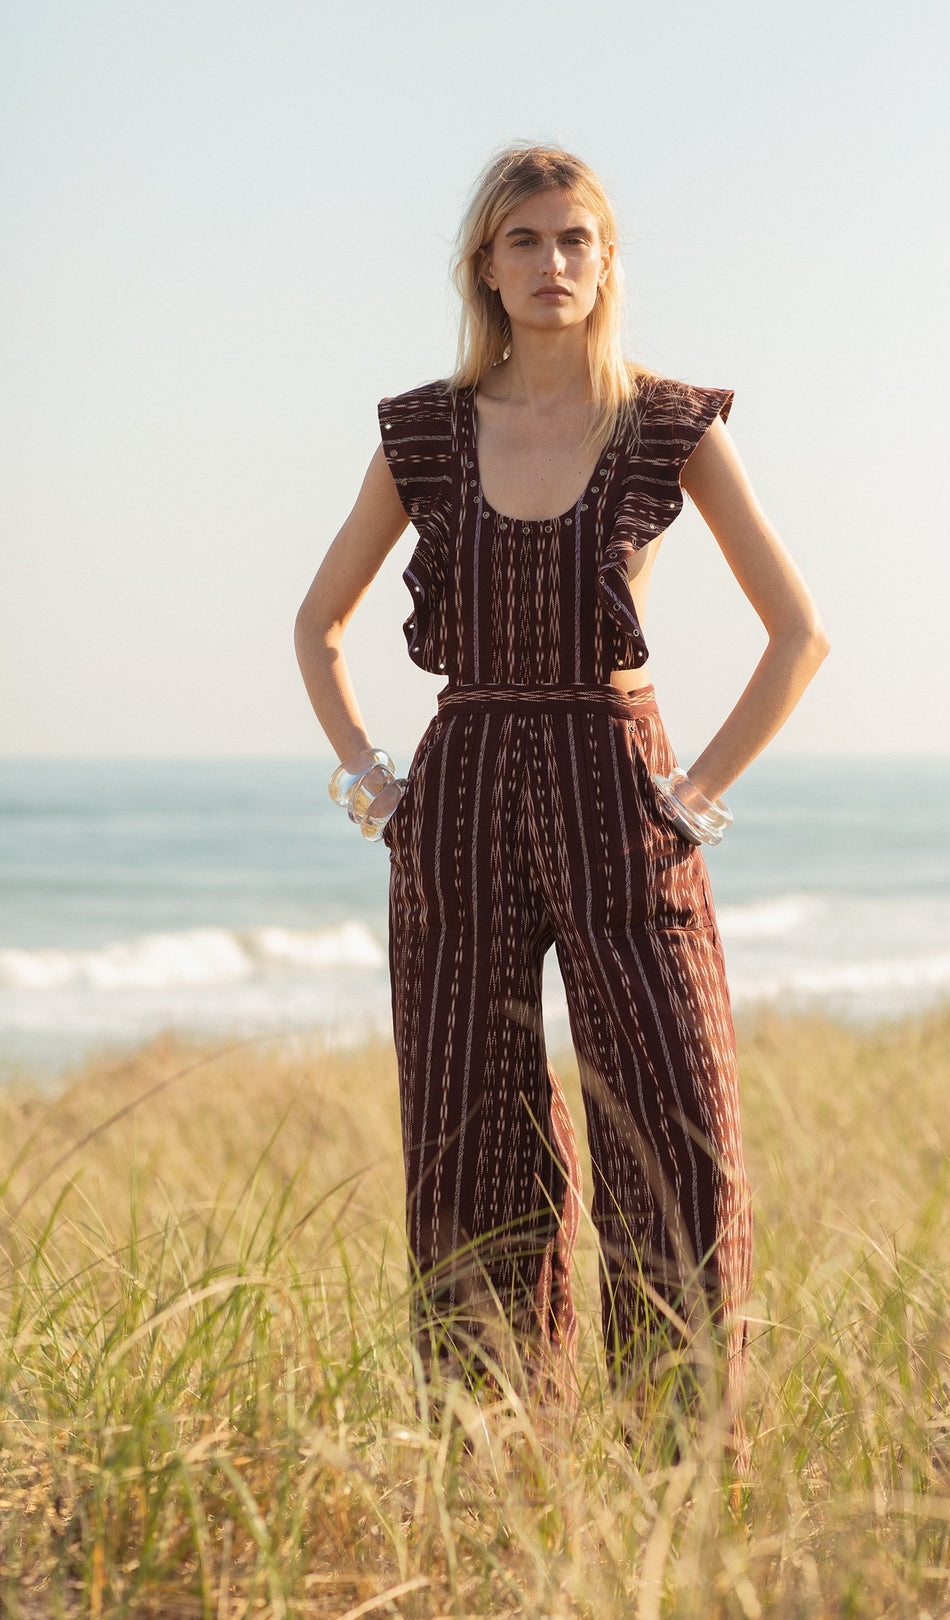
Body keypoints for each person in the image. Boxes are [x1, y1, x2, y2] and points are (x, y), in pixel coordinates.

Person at [295, 145, 829, 1455]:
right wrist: (379, 790)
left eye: (577, 240)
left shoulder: (670, 423)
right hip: (461, 795)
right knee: (470, 1146)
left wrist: (693, 801)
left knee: (678, 1134)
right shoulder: (422, 429)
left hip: (619, 790)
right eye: (526, 241)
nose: (554, 266)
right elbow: (319, 625)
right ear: (486, 263)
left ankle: (681, 1470)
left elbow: (799, 635)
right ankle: (493, 1466)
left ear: (608, 262)